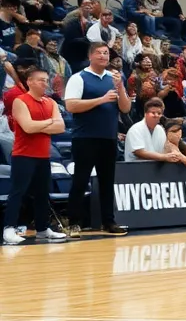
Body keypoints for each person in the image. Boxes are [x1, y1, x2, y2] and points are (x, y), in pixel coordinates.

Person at [64, 42, 132, 236]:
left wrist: (120, 87)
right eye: (100, 53)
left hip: (108, 137)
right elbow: (71, 106)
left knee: (107, 181)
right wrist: (101, 100)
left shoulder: (114, 78)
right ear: (91, 56)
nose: (104, 56)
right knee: (80, 180)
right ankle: (74, 223)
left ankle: (108, 222)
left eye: (106, 53)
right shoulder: (79, 78)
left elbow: (125, 108)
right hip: (85, 137)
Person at [2, 68, 69, 246]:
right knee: (18, 192)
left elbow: (61, 127)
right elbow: (28, 127)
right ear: (30, 81)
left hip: (43, 156)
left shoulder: (51, 102)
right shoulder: (20, 101)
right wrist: (49, 122)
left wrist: (41, 125)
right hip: (23, 155)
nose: (45, 83)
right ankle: (9, 228)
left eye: (46, 80)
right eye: (41, 80)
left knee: (42, 193)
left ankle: (42, 228)